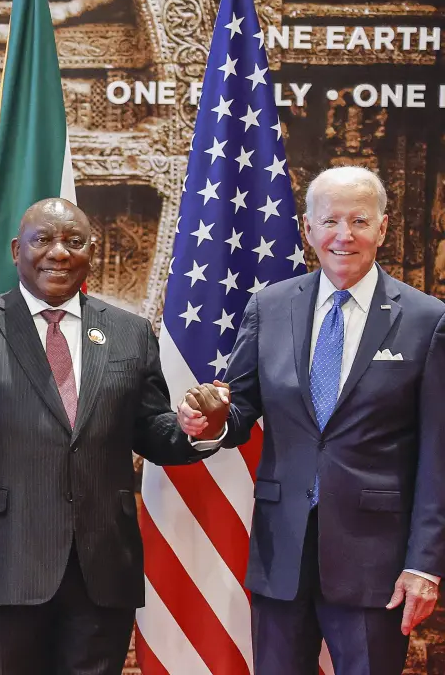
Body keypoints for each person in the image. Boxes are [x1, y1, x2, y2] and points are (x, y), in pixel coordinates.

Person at [0, 198, 222, 675]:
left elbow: (153, 433)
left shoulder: (130, 333)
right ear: (16, 250)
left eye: (73, 241)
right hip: (6, 563)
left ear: (91, 252)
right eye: (43, 239)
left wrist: (197, 427)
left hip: (102, 567)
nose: (59, 252)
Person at [180, 166, 445, 675]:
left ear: (382, 228)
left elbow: (439, 454)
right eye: (330, 221)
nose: (344, 235)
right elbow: (239, 410)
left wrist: (424, 565)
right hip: (281, 555)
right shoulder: (270, 307)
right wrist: (209, 422)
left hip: (375, 565)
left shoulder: (426, 319)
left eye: (359, 221)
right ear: (308, 228)